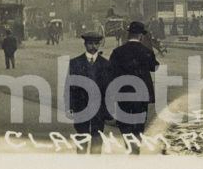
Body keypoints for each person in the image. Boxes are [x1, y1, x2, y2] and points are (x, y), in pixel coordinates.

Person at [109, 21, 160, 151]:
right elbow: (154, 67)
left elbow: (111, 72)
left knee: (124, 121)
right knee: (139, 123)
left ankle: (129, 145)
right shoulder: (146, 51)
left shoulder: (118, 52)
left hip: (123, 92)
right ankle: (136, 148)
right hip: (142, 93)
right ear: (140, 36)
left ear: (129, 34)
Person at [64, 30, 112, 154]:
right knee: (81, 136)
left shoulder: (106, 64)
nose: (93, 47)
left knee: (97, 136)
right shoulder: (75, 63)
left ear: (100, 45)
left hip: (99, 108)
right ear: (85, 44)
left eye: (96, 44)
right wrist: (69, 107)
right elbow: (70, 86)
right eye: (90, 44)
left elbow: (108, 89)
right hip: (81, 106)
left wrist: (109, 110)